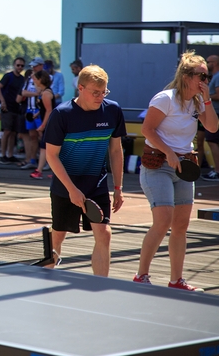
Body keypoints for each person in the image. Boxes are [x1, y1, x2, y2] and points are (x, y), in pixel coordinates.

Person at [134, 52, 218, 290]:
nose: (205, 79)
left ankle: (176, 280)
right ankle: (141, 275)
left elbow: (212, 126)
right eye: (201, 75)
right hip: (158, 165)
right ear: (186, 76)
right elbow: (147, 130)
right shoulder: (166, 99)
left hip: (183, 166)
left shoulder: (198, 102)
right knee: (162, 221)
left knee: (181, 225)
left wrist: (207, 100)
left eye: (207, 75)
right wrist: (169, 152)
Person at [43, 65, 126, 277]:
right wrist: (71, 189)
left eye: (104, 92)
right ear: (81, 88)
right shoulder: (61, 115)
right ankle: (45, 278)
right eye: (95, 92)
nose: (100, 97)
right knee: (58, 236)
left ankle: (100, 286)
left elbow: (116, 150)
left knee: (104, 233)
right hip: (65, 185)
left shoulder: (113, 110)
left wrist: (118, 187)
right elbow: (51, 155)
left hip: (96, 184)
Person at [0, 57, 26, 163]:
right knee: (7, 131)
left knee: (13, 132)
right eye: (18, 65)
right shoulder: (8, 76)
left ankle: (10, 154)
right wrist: (2, 101)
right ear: (14, 65)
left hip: (17, 108)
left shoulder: (22, 79)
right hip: (7, 107)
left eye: (22, 66)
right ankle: (3, 155)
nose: (20, 67)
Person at [28, 70, 54, 180]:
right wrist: (37, 114)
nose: (33, 80)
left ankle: (40, 171)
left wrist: (43, 125)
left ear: (40, 80)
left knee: (47, 148)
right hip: (48, 124)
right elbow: (44, 109)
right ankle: (40, 170)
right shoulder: (43, 92)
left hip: (50, 125)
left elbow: (49, 110)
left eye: (35, 78)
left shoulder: (46, 94)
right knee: (45, 148)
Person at [204, 54, 219, 181]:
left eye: (208, 62)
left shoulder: (218, 77)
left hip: (216, 113)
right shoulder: (214, 77)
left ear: (214, 63)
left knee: (213, 141)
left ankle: (217, 171)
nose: (207, 63)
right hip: (212, 112)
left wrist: (206, 97)